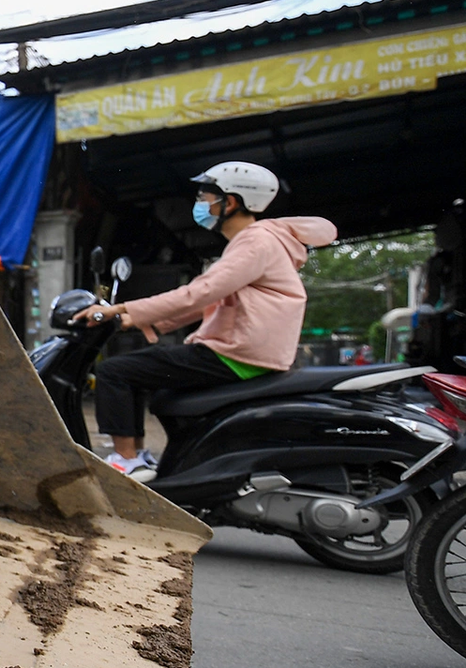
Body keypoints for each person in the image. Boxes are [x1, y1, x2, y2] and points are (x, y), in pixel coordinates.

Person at [72, 161, 336, 480]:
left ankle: (125, 459)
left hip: (237, 353)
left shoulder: (256, 241)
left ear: (231, 202)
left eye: (205, 197)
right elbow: (211, 299)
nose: (200, 204)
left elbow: (200, 292)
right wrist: (140, 320)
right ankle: (139, 458)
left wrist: (119, 309)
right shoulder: (258, 241)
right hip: (250, 351)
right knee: (141, 374)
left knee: (115, 371)